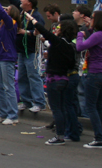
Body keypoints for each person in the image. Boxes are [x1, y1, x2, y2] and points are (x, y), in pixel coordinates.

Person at [0, 0, 46, 112]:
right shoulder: (21, 12)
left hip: (31, 51)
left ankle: (39, 102)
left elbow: (40, 32)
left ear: (29, 2)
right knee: (22, 77)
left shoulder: (36, 16)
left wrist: (26, 32)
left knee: (33, 76)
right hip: (21, 51)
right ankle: (26, 101)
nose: (21, 0)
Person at [26, 13, 77, 144]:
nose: (56, 29)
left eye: (59, 28)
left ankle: (60, 136)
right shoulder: (70, 46)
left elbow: (44, 32)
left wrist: (33, 20)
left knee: (56, 109)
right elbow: (71, 64)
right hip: (64, 78)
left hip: (54, 79)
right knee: (63, 108)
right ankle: (64, 133)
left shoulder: (58, 42)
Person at [76, 10, 102, 148]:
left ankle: (98, 137)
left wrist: (80, 34)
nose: (90, 20)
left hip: (95, 72)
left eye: (92, 18)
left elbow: (80, 47)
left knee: (91, 106)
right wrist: (89, 28)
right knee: (99, 105)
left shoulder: (98, 35)